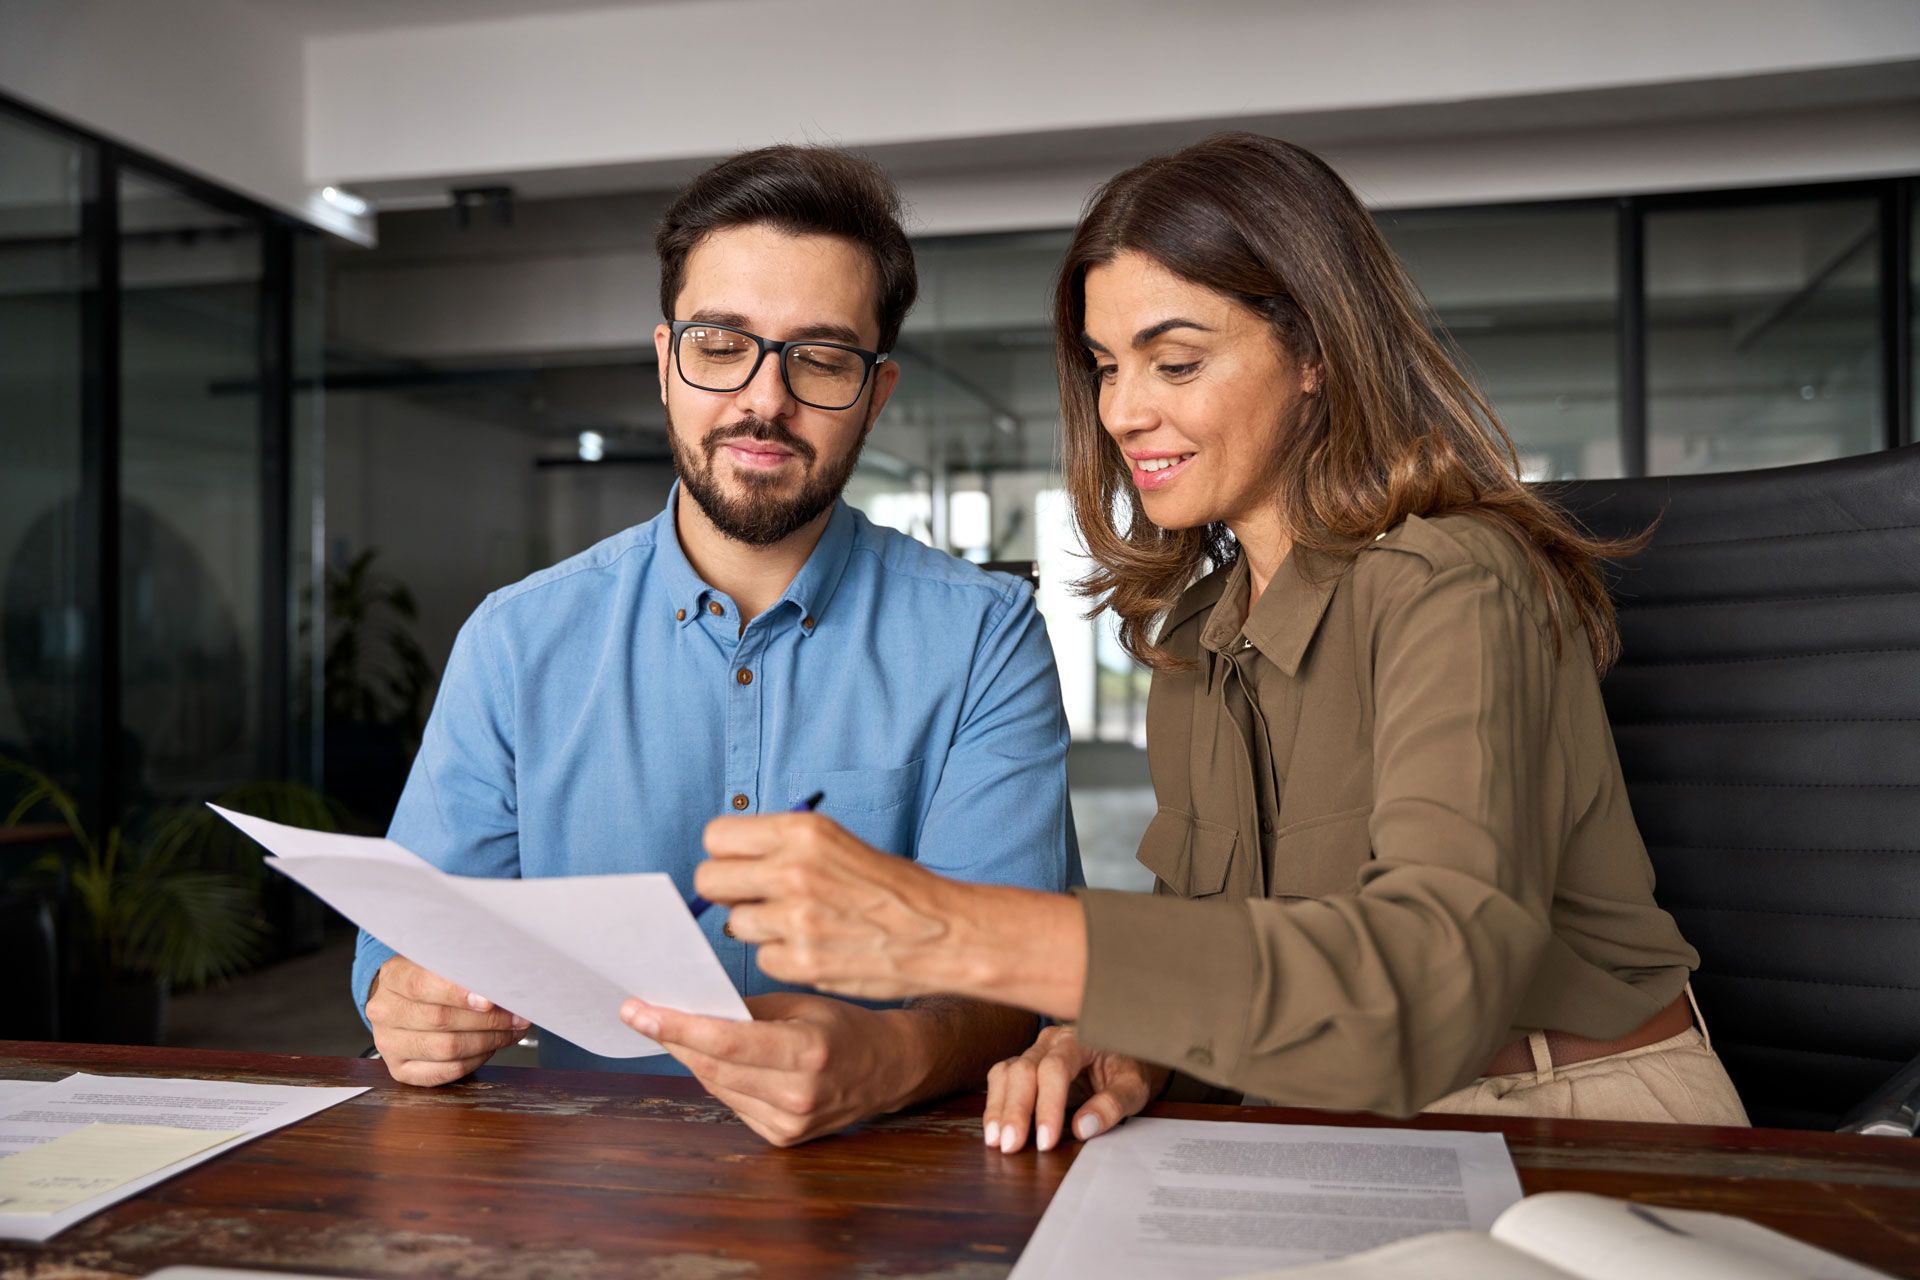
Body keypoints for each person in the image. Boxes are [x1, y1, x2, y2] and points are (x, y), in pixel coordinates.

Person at [680, 133, 1750, 1154]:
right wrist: (1132, 1041)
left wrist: (956, 930)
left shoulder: (1458, 582)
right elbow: (1227, 948)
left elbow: (1427, 987)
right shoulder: (1199, 637)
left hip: (1572, 1112)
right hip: (1328, 1118)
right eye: (1105, 366)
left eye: (1175, 362)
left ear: (1315, 354)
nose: (1125, 411)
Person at [353, 145, 1079, 1147]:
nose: (765, 400)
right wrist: (404, 999)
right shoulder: (517, 641)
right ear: (665, 361)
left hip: (898, 1190)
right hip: (590, 1195)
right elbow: (404, 939)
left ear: (876, 391)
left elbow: (1018, 974)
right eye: (722, 343)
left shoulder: (982, 638)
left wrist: (885, 1057)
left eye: (821, 359)